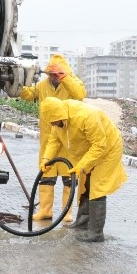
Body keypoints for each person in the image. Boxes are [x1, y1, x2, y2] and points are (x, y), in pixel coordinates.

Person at [39, 97, 128, 242]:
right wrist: (46, 160)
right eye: (51, 122)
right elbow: (54, 141)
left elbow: (100, 145)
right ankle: (82, 224)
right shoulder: (58, 119)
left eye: (55, 121)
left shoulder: (86, 116)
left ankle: (96, 234)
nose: (54, 125)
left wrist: (81, 166)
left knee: (97, 187)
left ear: (60, 115)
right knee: (86, 185)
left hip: (108, 150)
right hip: (90, 151)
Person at [19, 54, 86, 221]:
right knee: (46, 174)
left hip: (67, 138)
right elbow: (28, 94)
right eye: (51, 74)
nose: (53, 78)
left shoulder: (72, 83)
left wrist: (65, 78)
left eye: (57, 75)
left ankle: (67, 213)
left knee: (69, 177)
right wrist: (14, 83)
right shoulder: (42, 86)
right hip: (48, 138)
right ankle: (45, 210)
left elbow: (80, 94)